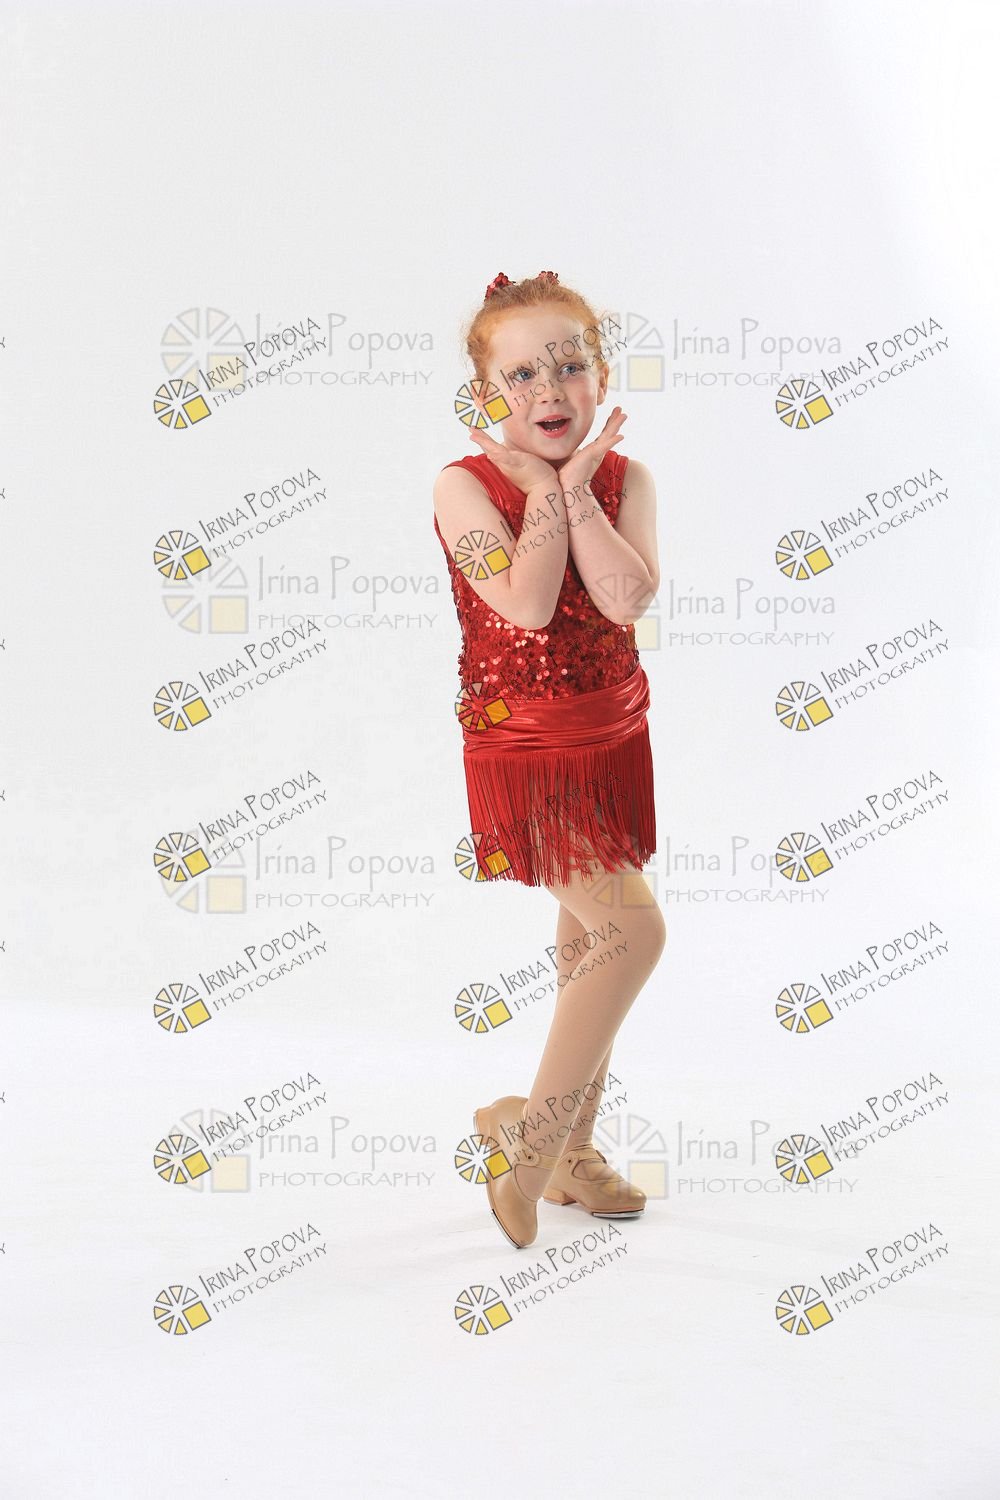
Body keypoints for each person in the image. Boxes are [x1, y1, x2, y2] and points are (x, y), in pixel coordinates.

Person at [433, 269, 668, 1249]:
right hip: (524, 746)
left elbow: (625, 598)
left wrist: (576, 496)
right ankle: (528, 1151)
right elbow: (525, 606)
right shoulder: (463, 486)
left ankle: (569, 1149)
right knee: (633, 934)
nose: (549, 389)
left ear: (600, 377)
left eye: (569, 366)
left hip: (611, 738)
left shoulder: (625, 481)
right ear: (488, 394)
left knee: (588, 947)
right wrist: (539, 495)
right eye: (522, 373)